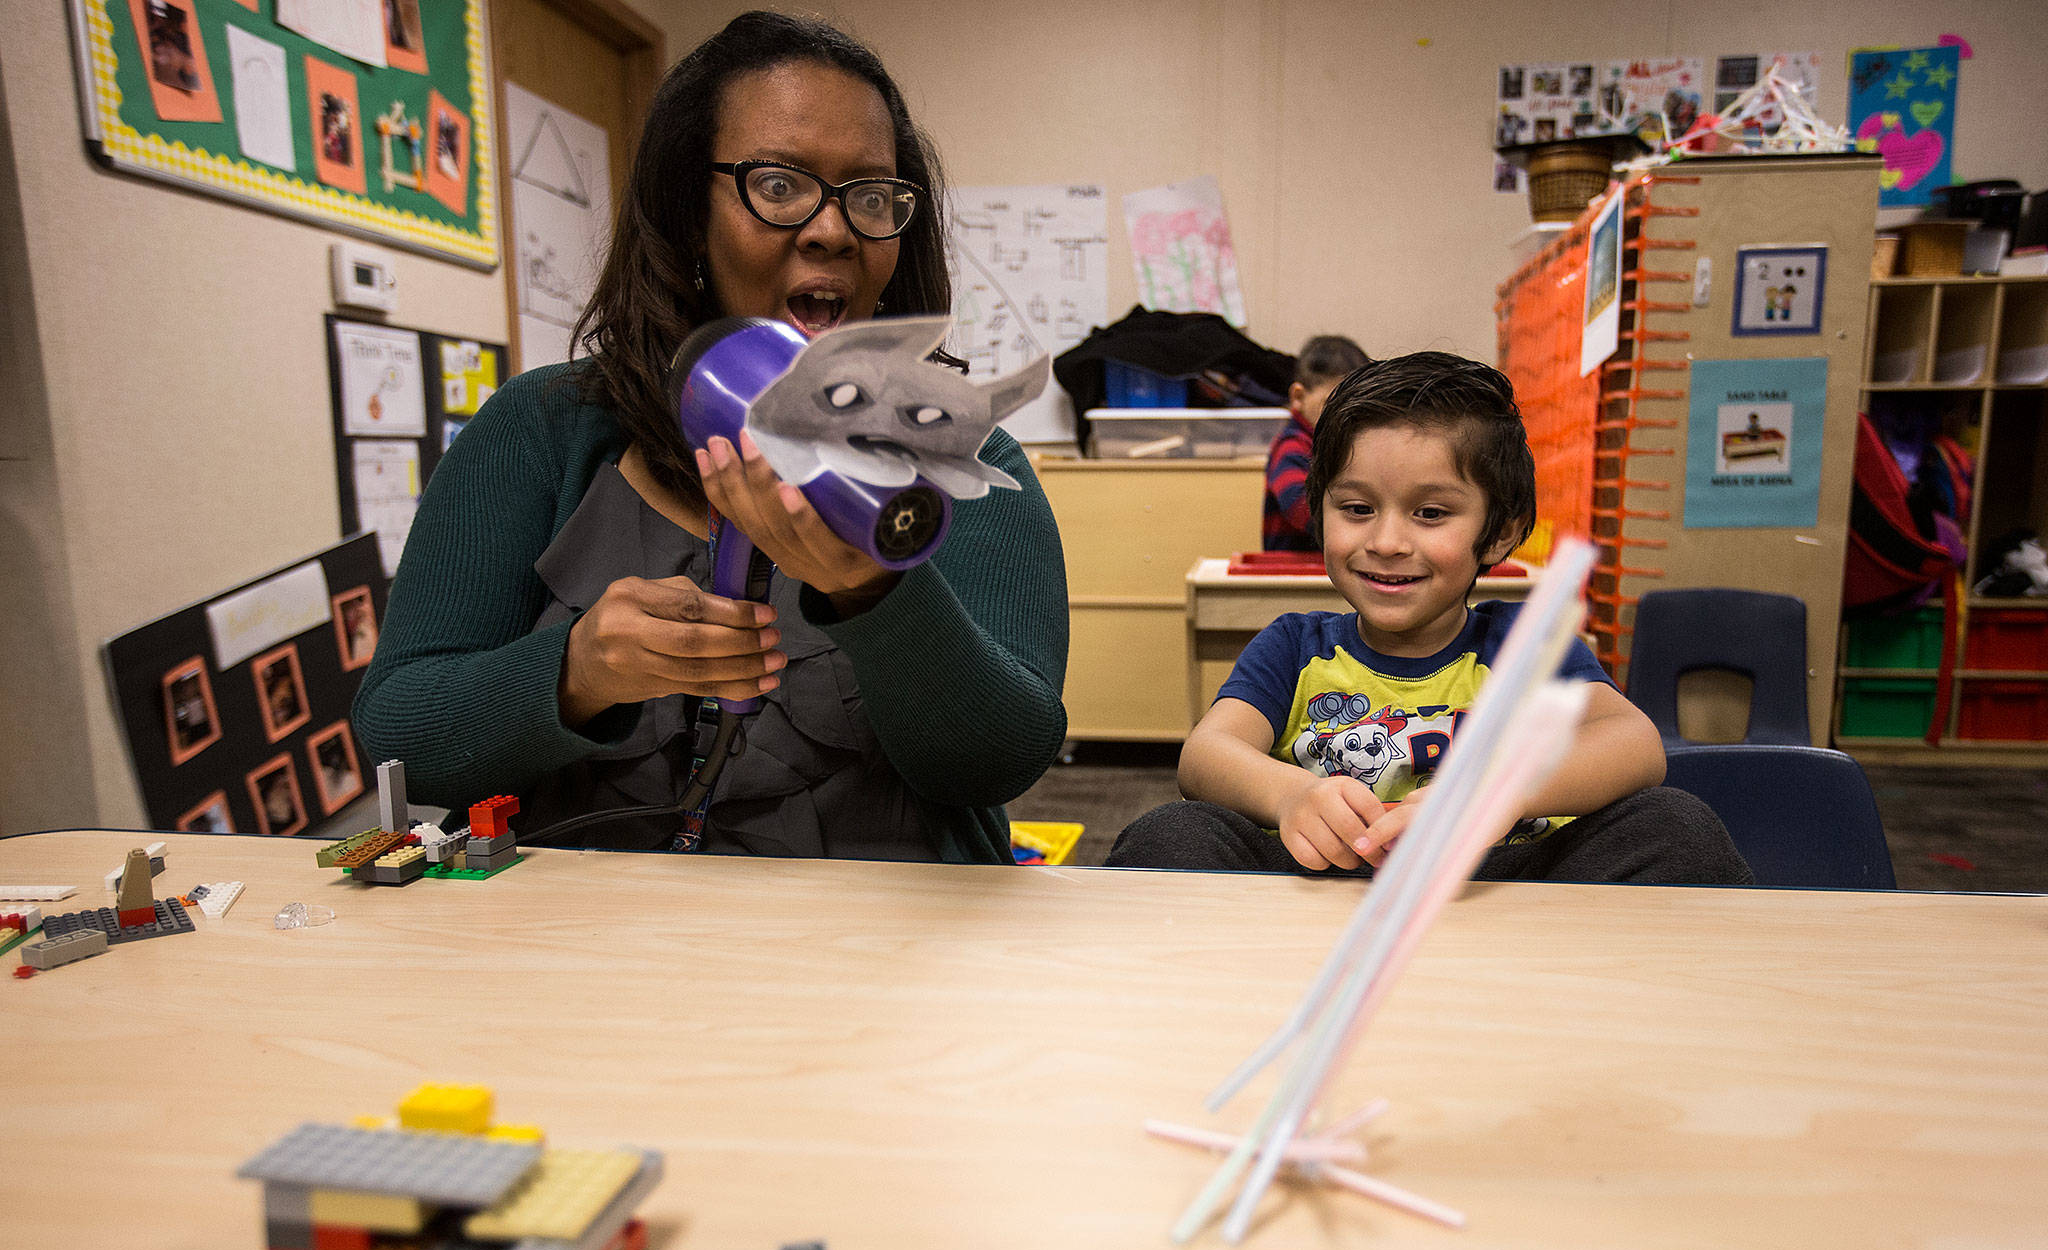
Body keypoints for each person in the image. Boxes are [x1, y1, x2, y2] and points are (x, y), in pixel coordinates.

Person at [353, 12, 1067, 862]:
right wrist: (578, 671)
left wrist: (880, 596)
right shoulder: (540, 430)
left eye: (871, 198)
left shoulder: (966, 458)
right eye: (779, 184)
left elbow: (1004, 757)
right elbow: (400, 732)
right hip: (579, 958)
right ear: (693, 213)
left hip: (881, 966)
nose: (833, 229)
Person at [1109, 352, 1750, 885]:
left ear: (1499, 534)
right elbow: (1206, 754)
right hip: (1323, 890)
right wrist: (1291, 796)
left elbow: (1635, 746)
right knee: (1170, 831)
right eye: (1356, 508)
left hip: (1502, 891)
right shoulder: (1293, 646)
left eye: (1431, 514)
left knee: (1674, 825)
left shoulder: (1523, 646)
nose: (1386, 541)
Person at [1263, 335, 1368, 551]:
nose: (1344, 414)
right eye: (1332, 403)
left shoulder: (1345, 443)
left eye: (1354, 404)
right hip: (1291, 573)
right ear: (1298, 397)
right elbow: (1299, 508)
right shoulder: (1292, 445)